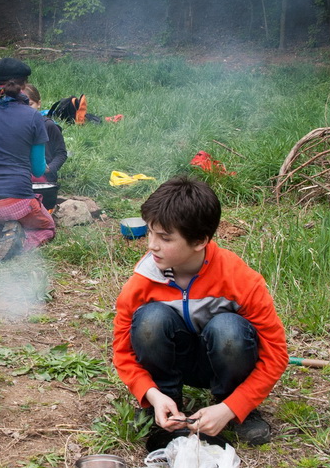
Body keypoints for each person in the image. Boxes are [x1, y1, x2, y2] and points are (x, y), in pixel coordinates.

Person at [111, 176, 287, 451]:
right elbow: (122, 351)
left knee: (228, 328)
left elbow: (276, 354)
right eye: (150, 233)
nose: (152, 245)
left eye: (165, 238)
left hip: (222, 361)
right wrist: (150, 393)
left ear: (200, 241)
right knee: (150, 320)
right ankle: (165, 405)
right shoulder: (142, 281)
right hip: (174, 360)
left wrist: (233, 406)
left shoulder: (239, 278)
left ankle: (234, 409)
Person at [0, 58, 56, 261]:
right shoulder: (33, 116)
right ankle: (17, 239)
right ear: (24, 85)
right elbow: (38, 169)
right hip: (15, 201)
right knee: (47, 226)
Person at [23, 84, 67, 185]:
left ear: (39, 104)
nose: (26, 109)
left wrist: (50, 168)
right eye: (22, 106)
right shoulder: (14, 126)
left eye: (30, 104)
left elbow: (61, 153)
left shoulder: (49, 126)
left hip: (44, 178)